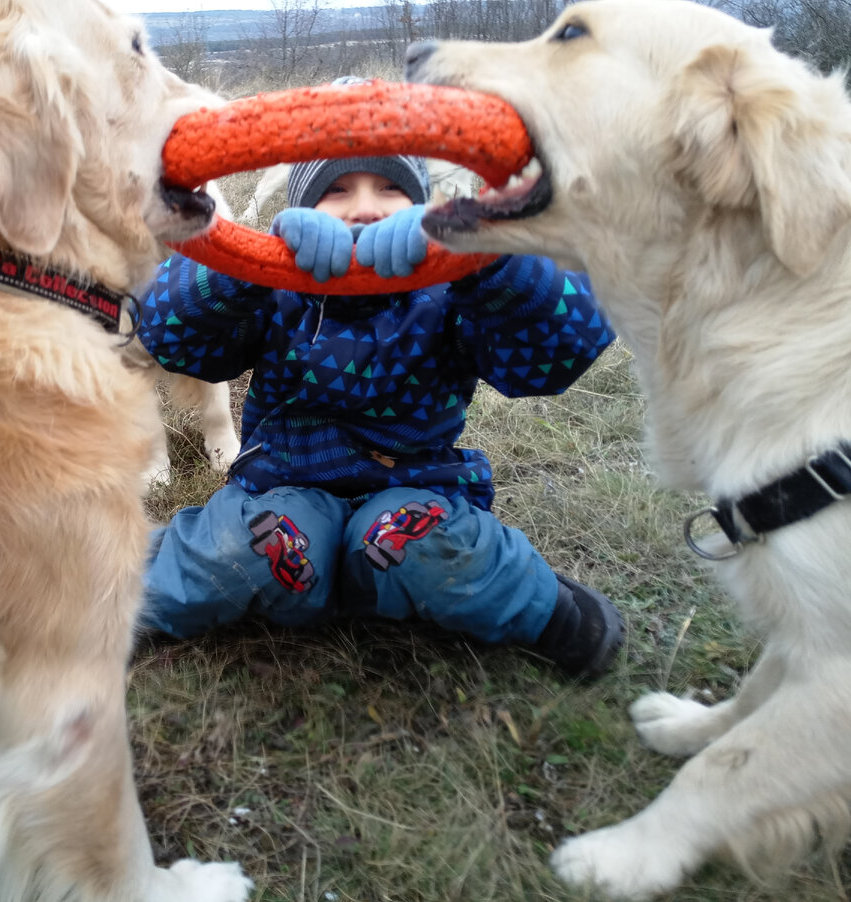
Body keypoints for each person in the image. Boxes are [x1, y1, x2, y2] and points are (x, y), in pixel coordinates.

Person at [137, 110, 623, 679]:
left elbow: (559, 350)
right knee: (253, 546)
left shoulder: (449, 292)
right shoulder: (275, 290)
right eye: (335, 191)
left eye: (390, 187)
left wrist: (482, 262)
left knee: (422, 544)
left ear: (421, 204)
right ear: (300, 213)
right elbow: (169, 333)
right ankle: (113, 602)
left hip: (414, 490)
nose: (364, 208)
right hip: (283, 488)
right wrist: (251, 264)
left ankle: (552, 610)